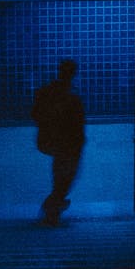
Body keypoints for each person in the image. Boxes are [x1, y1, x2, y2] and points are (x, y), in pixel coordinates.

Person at [32, 59, 86, 226]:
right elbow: (77, 121)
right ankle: (52, 208)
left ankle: (53, 208)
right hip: (68, 142)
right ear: (73, 73)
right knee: (66, 176)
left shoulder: (48, 91)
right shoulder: (71, 95)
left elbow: (35, 114)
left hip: (53, 140)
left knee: (61, 175)